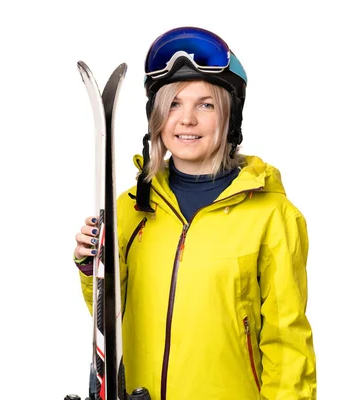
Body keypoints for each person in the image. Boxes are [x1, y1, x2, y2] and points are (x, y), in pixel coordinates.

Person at [73, 26, 316, 400]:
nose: (186, 119)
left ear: (229, 117)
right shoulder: (130, 207)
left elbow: (287, 342)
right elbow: (112, 320)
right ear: (156, 117)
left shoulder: (272, 216)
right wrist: (93, 268)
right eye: (173, 103)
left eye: (205, 104)